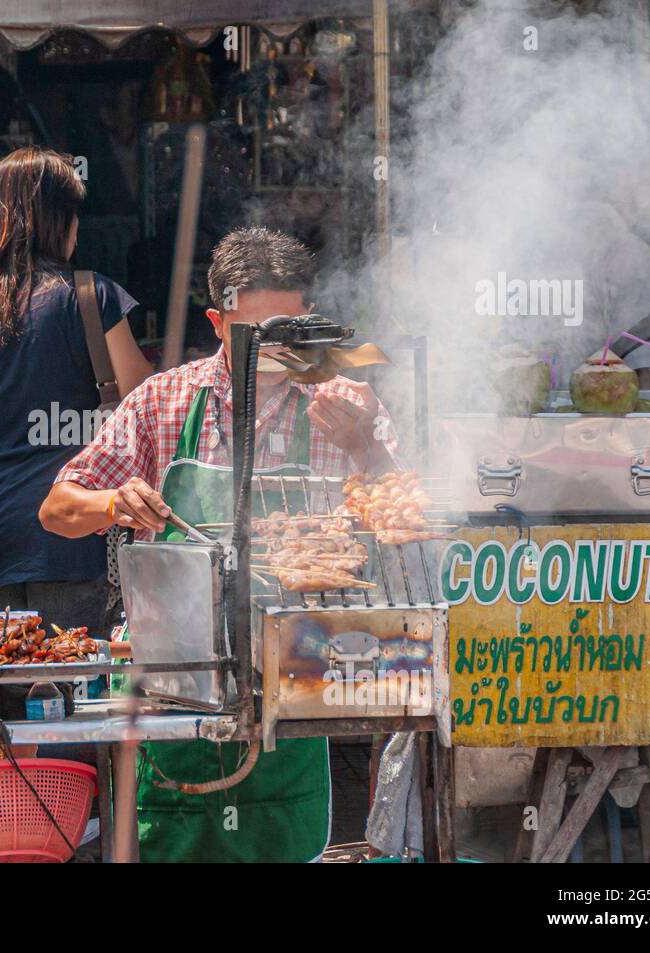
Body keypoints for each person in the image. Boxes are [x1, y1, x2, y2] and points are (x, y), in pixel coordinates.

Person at [39, 227, 400, 862]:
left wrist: (365, 449)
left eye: (289, 332)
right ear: (216, 321)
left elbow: (399, 507)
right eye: (254, 334)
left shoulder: (340, 399)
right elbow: (57, 507)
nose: (274, 350)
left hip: (298, 673)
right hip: (174, 674)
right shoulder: (163, 401)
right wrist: (113, 502)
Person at [0, 146, 152, 635]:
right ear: (60, 220)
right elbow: (139, 398)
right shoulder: (91, 295)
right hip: (70, 518)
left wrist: (2, 437)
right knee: (66, 668)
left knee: (4, 661)